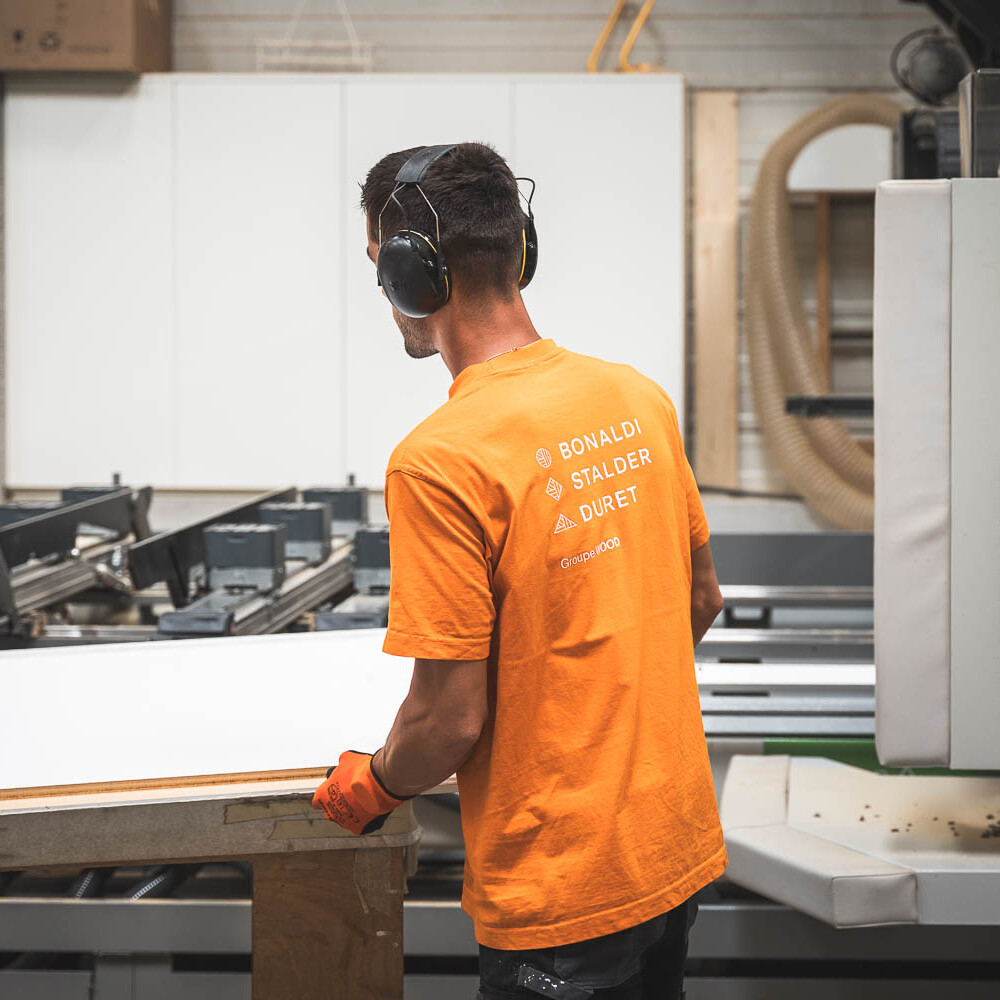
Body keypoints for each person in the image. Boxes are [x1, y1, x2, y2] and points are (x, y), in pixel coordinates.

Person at [312, 142, 726, 1000]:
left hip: (563, 889)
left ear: (410, 273)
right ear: (520, 248)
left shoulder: (439, 460)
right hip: (669, 848)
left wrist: (374, 784)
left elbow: (448, 719)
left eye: (379, 266)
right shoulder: (637, 397)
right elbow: (701, 598)